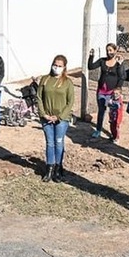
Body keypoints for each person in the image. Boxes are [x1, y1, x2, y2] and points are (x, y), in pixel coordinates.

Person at [36, 54, 75, 183]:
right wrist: (44, 114)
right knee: (49, 143)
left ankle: (58, 168)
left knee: (59, 142)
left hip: (61, 119)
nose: (56, 68)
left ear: (64, 68)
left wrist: (59, 116)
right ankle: (49, 168)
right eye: (55, 65)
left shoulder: (67, 82)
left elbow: (70, 102)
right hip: (46, 117)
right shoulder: (45, 79)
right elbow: (39, 97)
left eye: (59, 66)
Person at [87, 43, 125, 138]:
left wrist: (118, 90)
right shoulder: (102, 61)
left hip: (112, 92)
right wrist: (91, 56)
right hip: (101, 91)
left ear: (115, 51)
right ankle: (98, 130)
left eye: (111, 50)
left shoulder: (118, 63)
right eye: (107, 50)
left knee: (114, 114)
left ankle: (115, 134)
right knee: (101, 111)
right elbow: (91, 67)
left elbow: (122, 77)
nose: (109, 52)